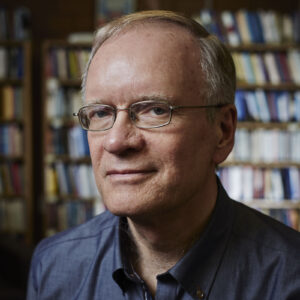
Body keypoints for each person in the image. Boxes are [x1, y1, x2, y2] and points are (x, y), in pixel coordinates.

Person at [27, 10, 300, 300]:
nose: (116, 141)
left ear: (222, 131)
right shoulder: (53, 267)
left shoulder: (290, 278)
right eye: (101, 113)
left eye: (156, 110)